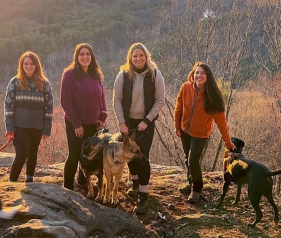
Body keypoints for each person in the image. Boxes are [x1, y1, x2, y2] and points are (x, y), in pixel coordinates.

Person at [113, 42, 165, 214]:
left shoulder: (155, 75)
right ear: (130, 58)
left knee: (142, 158)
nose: (138, 58)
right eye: (135, 56)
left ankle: (143, 196)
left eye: (141, 55)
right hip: (128, 124)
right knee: (129, 155)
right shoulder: (123, 75)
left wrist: (147, 120)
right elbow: (117, 100)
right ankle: (134, 183)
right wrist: (121, 122)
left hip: (145, 124)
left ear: (146, 56)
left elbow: (159, 100)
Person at [174, 62, 236, 203]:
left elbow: (221, 123)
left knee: (193, 161)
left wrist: (228, 142)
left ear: (207, 76)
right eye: (197, 72)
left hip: (200, 135)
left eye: (202, 73)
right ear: (193, 74)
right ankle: (191, 183)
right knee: (187, 159)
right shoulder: (186, 88)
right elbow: (179, 107)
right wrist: (177, 125)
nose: (199, 75)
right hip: (185, 131)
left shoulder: (211, 96)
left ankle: (196, 189)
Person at [60, 43, 107, 190]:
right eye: (82, 54)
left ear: (92, 57)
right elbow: (65, 101)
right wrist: (76, 124)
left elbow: (102, 97)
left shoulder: (96, 74)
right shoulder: (69, 74)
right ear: (77, 56)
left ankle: (82, 180)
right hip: (75, 124)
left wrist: (102, 116)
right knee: (74, 155)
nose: (85, 57)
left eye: (88, 54)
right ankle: (67, 187)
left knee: (89, 154)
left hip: (93, 123)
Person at [4, 51, 54, 183]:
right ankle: (12, 182)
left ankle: (29, 181)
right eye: (25, 64)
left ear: (37, 66)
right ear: (21, 65)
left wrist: (47, 128)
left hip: (37, 126)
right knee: (21, 154)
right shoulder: (14, 82)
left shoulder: (44, 84)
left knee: (33, 153)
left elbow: (48, 107)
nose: (29, 66)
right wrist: (9, 128)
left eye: (32, 64)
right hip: (19, 125)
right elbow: (8, 106)